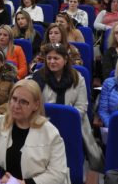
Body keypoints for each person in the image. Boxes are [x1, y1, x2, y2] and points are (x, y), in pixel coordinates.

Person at [0, 79, 81, 184]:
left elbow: (57, 174)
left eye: (23, 102)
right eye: (14, 99)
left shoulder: (50, 133)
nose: (16, 105)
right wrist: (1, 174)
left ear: (36, 105)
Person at [30, 43, 103, 171]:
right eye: (49, 58)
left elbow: (81, 107)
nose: (52, 62)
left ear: (65, 60)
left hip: (72, 124)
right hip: (43, 123)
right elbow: (32, 104)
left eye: (56, 58)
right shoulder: (38, 77)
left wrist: (66, 120)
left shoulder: (77, 78)